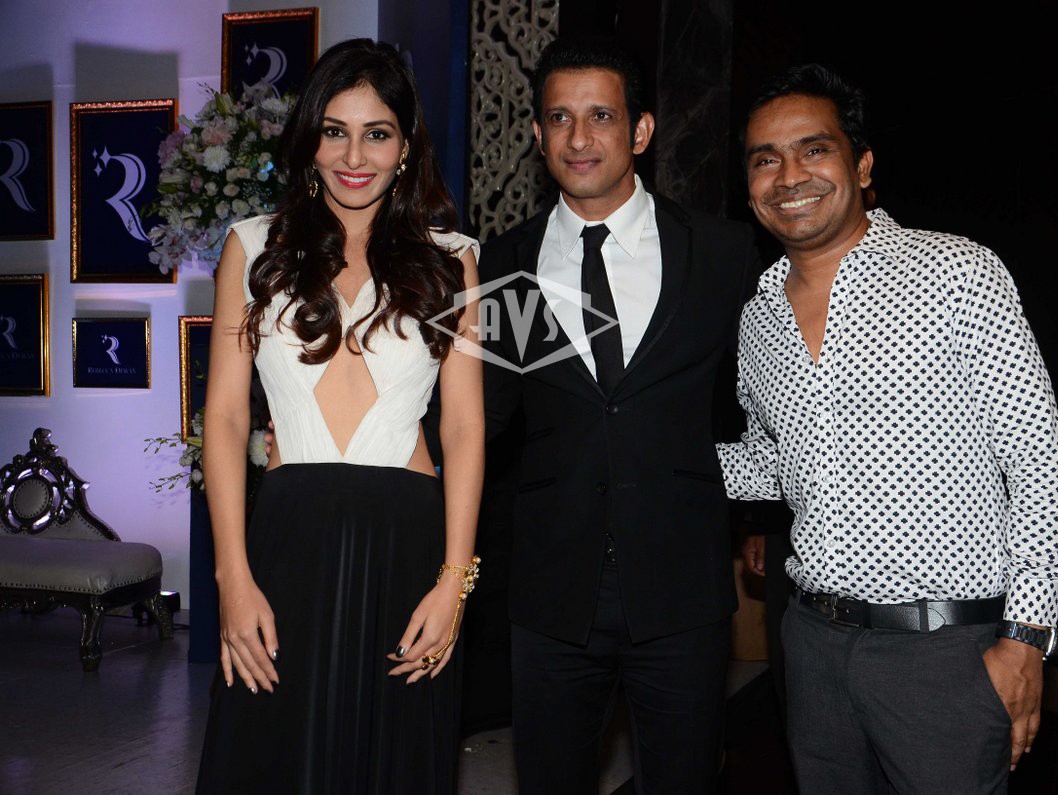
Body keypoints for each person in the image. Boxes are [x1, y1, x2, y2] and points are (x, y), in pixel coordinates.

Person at [718, 64, 1058, 793]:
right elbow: (772, 462)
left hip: (943, 653)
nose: (789, 176)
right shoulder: (757, 318)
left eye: (814, 150)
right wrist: (652, 454)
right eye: (765, 159)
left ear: (862, 165)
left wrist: (1025, 638)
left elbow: (1039, 461)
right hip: (812, 645)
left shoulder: (957, 272)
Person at [195, 38, 484, 794]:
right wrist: (231, 577)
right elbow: (224, 418)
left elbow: (463, 427)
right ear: (310, 140)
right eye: (335, 131)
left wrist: (453, 583)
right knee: (271, 756)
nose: (354, 156)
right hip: (287, 538)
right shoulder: (253, 246)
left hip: (409, 545)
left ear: (405, 144)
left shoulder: (451, 258)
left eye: (377, 133)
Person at [480, 37, 760, 793]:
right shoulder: (502, 263)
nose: (579, 138)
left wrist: (765, 521)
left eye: (600, 116)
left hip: (681, 590)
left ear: (640, 130)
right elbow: (479, 417)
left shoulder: (721, 253)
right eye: (559, 118)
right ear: (536, 134)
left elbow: (757, 404)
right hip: (550, 594)